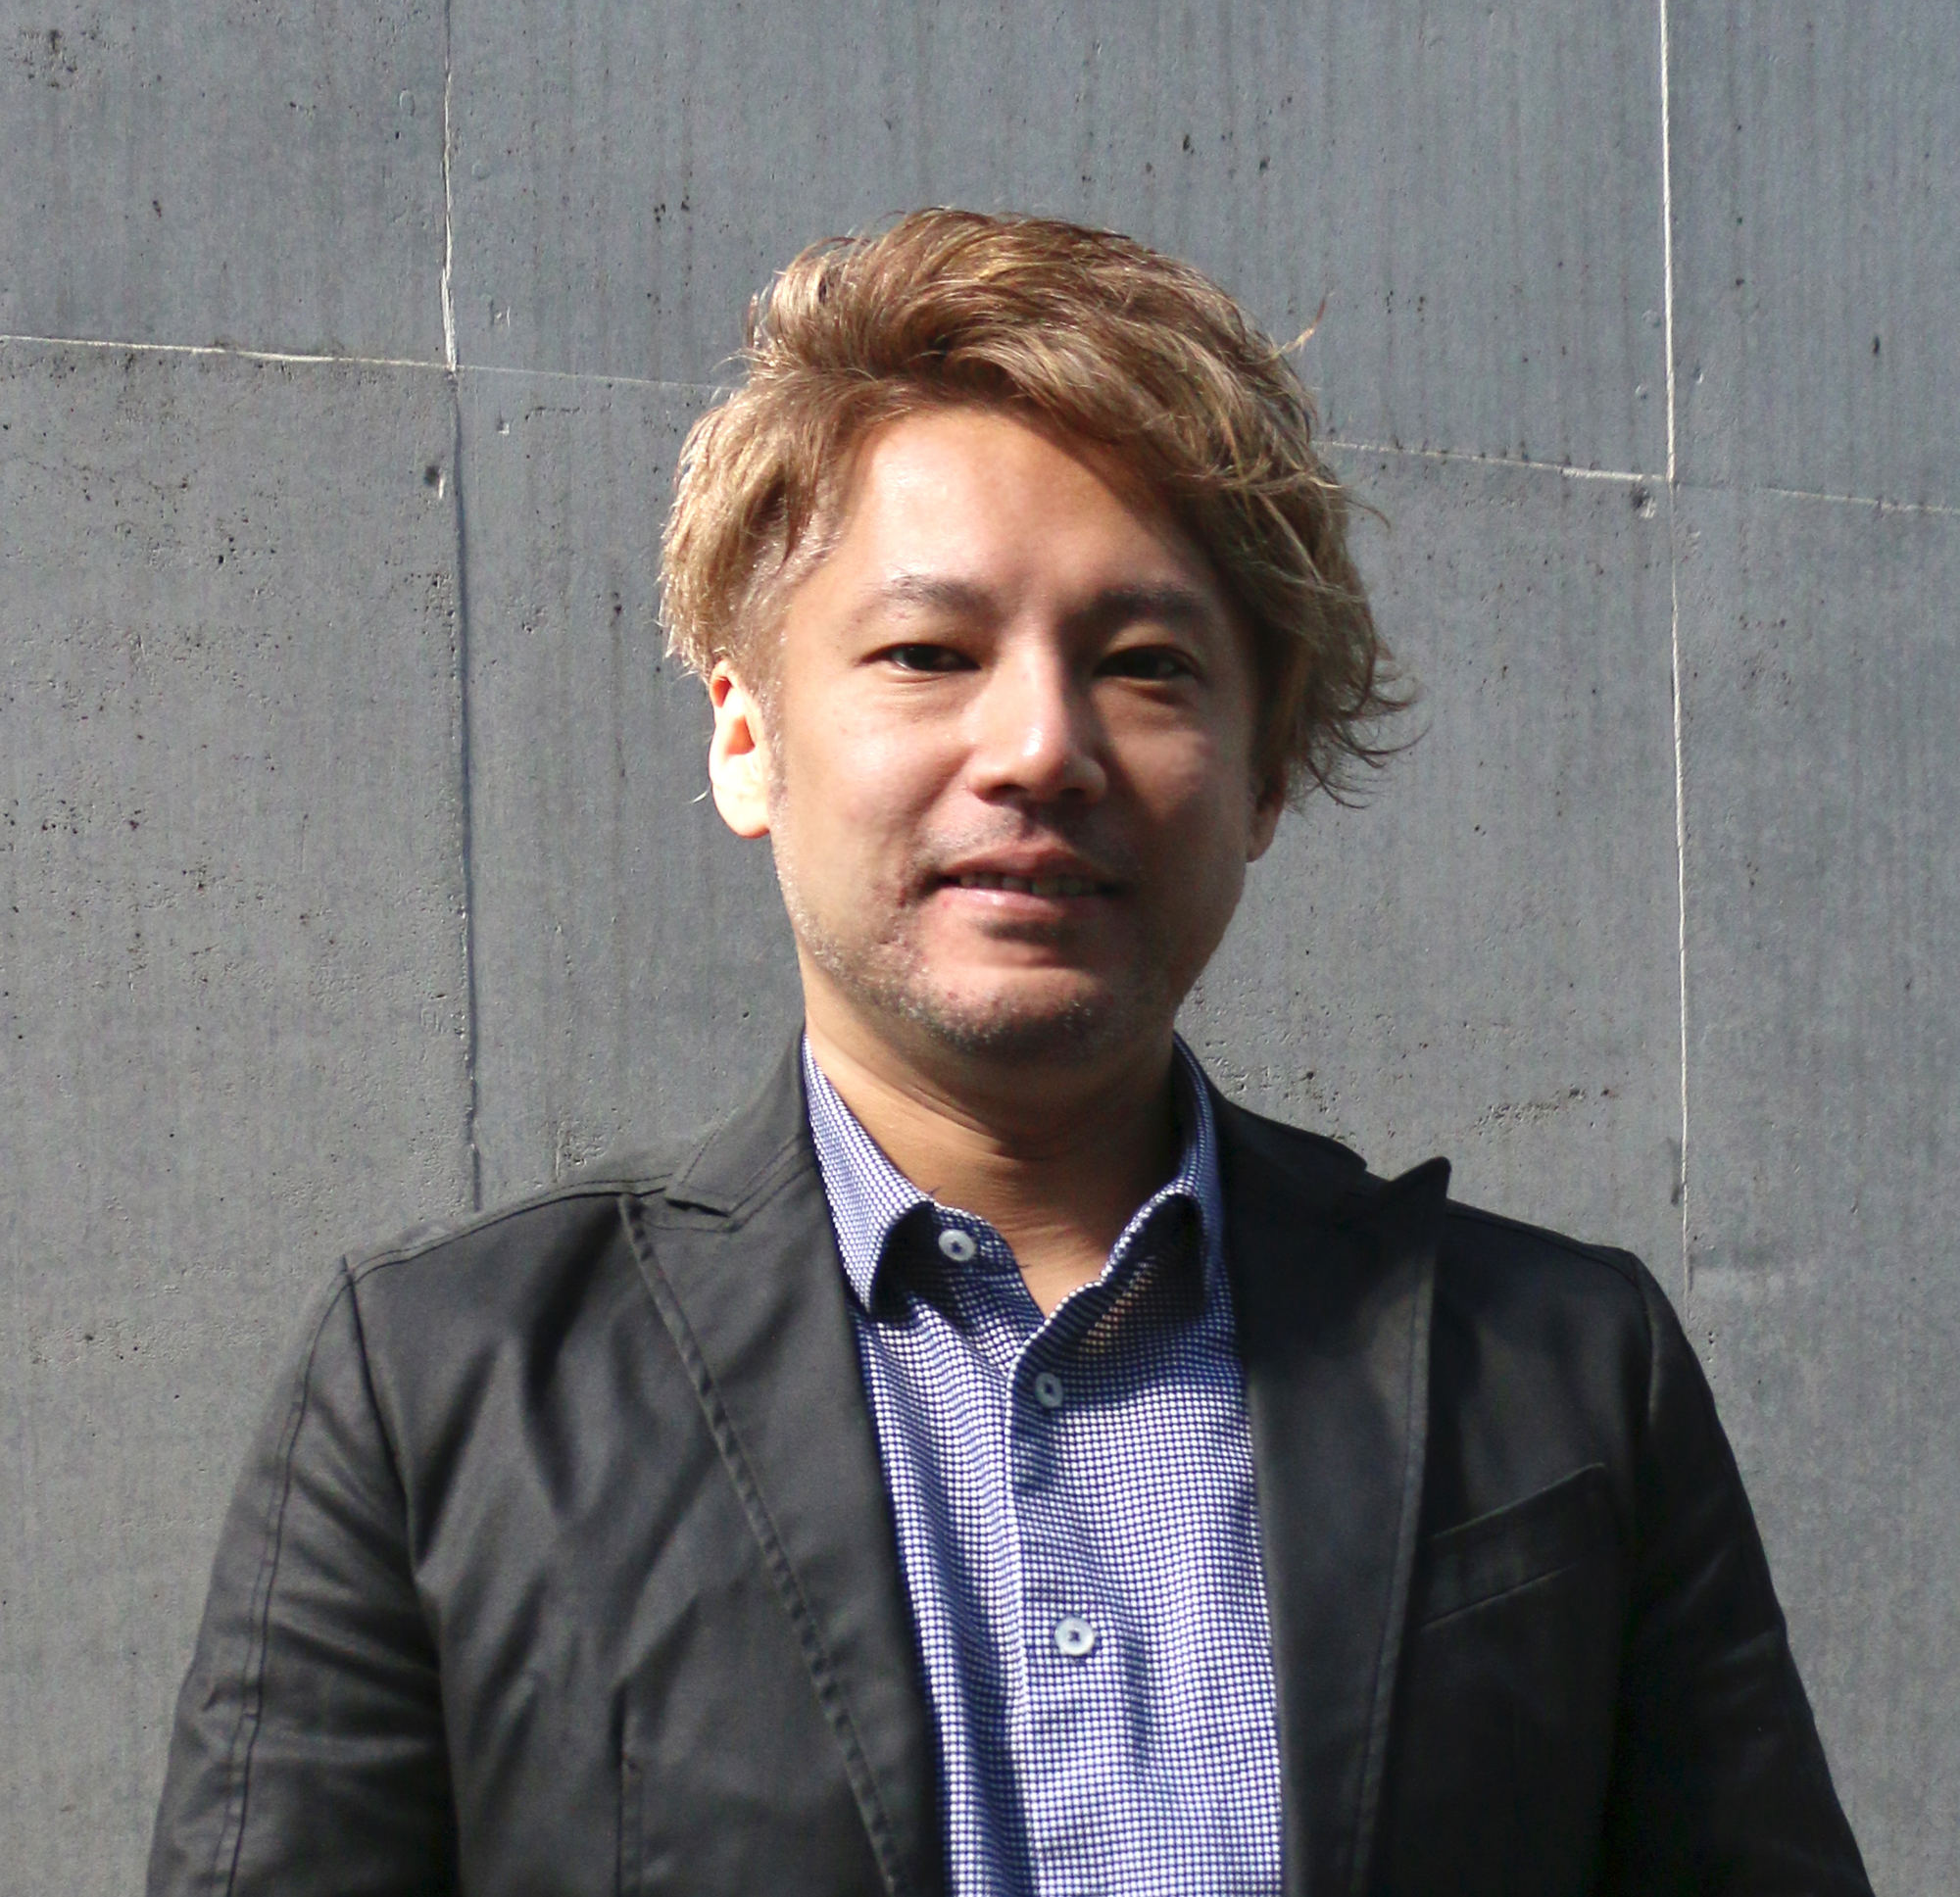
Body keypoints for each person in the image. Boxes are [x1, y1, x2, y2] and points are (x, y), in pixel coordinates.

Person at [148, 210, 1870, 1897]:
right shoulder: (443, 1390)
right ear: (747, 736)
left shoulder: (1564, 1371)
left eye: (1145, 663)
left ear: (1265, 768)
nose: (1041, 745)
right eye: (928, 652)